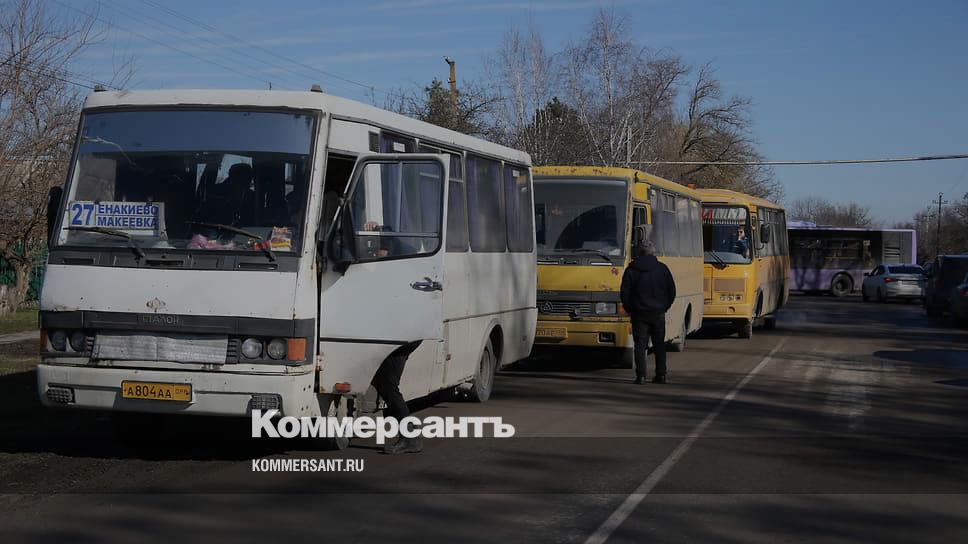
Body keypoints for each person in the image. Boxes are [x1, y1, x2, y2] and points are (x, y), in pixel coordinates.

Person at [620, 240, 677, 384]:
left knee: (640, 345)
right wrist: (664, 306)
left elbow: (624, 293)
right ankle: (661, 375)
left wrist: (630, 309)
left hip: (639, 313)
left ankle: (641, 376)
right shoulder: (662, 269)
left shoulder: (631, 269)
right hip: (658, 313)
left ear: (639, 253)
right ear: (653, 252)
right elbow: (672, 291)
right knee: (659, 345)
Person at [371, 344, 423, 454]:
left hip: (397, 344)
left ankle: (411, 437)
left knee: (388, 386)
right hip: (397, 343)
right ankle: (410, 436)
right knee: (385, 385)